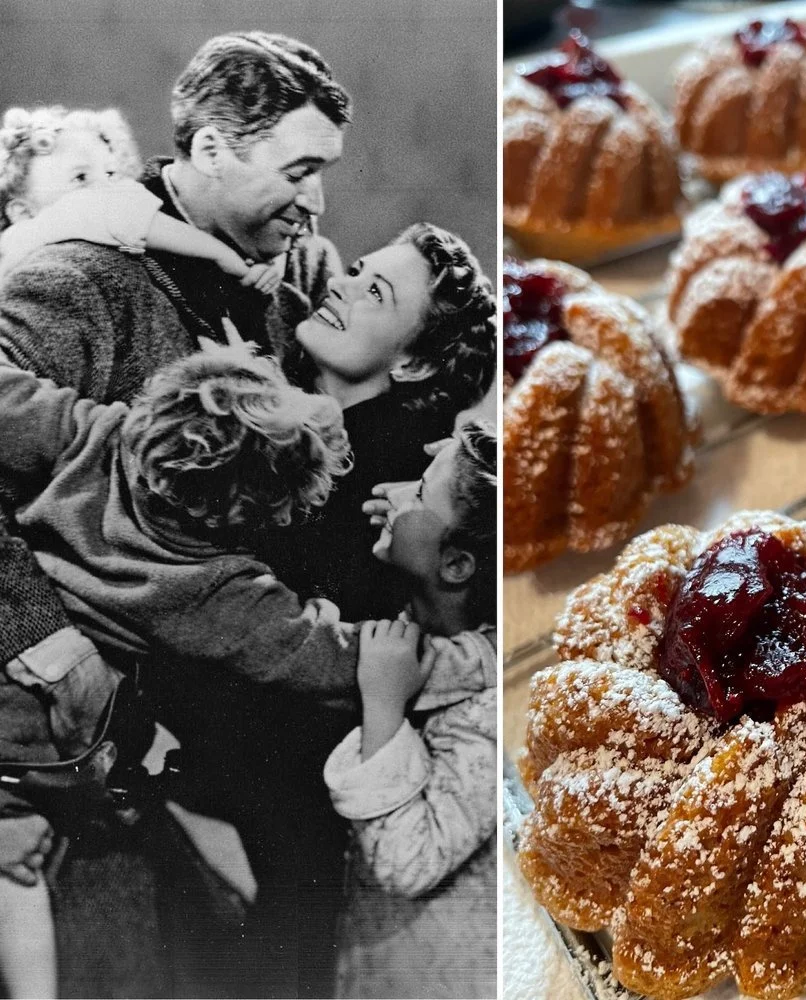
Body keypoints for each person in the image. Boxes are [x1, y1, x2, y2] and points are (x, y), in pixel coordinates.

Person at [0, 30, 353, 997]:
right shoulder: (79, 276)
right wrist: (42, 642)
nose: (317, 203)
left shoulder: (297, 275)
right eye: (300, 171)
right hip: (88, 731)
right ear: (209, 149)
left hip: (241, 684)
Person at [0, 344, 357, 998]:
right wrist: (334, 621)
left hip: (15, 665)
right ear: (243, 513)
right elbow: (331, 665)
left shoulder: (85, 432)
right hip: (49, 741)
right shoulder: (218, 587)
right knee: (27, 860)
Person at [325, 421, 497, 999]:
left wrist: (383, 709)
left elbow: (410, 860)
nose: (393, 494)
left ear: (457, 566)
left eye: (418, 490)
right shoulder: (433, 626)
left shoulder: (487, 712)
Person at [268, 222, 496, 622]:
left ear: (415, 364)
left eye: (375, 293)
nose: (338, 284)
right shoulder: (281, 373)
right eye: (356, 272)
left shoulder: (395, 486)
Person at [0, 105, 279, 292]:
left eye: (110, 173)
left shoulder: (25, 243)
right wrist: (224, 255)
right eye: (80, 178)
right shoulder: (74, 215)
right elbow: (151, 225)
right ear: (22, 212)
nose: (106, 187)